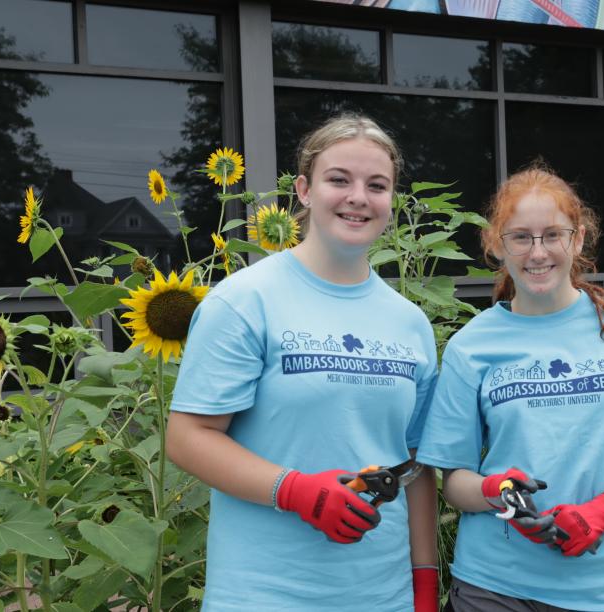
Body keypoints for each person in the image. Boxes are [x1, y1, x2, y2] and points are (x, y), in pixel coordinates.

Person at [166, 114, 439, 611]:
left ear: (390, 201)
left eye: (376, 185)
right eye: (339, 179)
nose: (358, 196)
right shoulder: (246, 301)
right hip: (266, 595)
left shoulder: (409, 322)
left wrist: (424, 582)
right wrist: (295, 492)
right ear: (304, 190)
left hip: (383, 595)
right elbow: (187, 438)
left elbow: (416, 466)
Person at [417, 165, 604, 612]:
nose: (538, 253)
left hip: (602, 588)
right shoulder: (471, 345)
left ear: (578, 238)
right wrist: (496, 490)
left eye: (553, 234)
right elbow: (454, 483)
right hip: (493, 587)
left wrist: (603, 512)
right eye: (520, 237)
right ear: (497, 244)